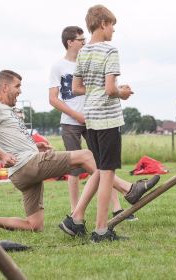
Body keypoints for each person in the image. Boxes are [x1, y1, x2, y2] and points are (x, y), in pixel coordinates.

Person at [0, 70, 158, 232]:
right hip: (27, 165)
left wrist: (36, 146)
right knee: (87, 156)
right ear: (4, 87)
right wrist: (1, 155)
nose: (20, 91)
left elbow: (10, 139)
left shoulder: (6, 110)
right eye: (17, 86)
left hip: (21, 173)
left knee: (34, 225)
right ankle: (129, 190)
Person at [59, 5, 159, 242]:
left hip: (91, 118)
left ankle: (76, 218)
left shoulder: (82, 52)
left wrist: (99, 91)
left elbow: (76, 88)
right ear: (103, 23)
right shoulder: (110, 51)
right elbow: (111, 88)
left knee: (101, 169)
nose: (114, 29)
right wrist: (121, 92)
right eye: (112, 24)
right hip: (108, 118)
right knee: (107, 173)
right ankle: (102, 230)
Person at [49, 25, 137, 221]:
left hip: (93, 117)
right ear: (70, 42)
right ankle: (75, 212)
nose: (84, 42)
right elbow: (53, 99)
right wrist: (75, 115)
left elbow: (101, 87)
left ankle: (117, 208)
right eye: (80, 39)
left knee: (101, 165)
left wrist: (115, 88)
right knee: (74, 170)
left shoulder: (87, 58)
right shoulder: (58, 66)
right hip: (71, 122)